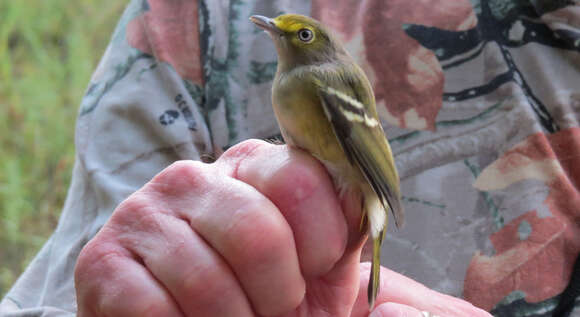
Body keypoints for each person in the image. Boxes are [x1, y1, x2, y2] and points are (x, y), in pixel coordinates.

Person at [1, 0, 579, 316]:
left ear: (316, 46)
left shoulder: (323, 82)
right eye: (281, 32)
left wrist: (376, 195)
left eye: (295, 34)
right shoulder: (201, 21)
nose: (279, 34)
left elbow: (364, 147)